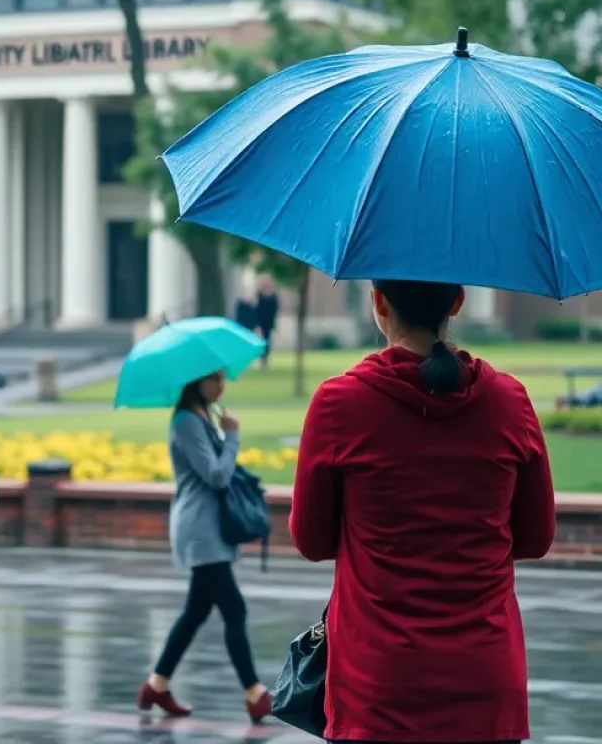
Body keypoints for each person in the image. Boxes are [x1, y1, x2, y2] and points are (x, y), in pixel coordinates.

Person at [291, 279, 556, 744]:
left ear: (377, 302)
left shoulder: (340, 403)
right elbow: (535, 539)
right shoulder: (509, 402)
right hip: (487, 685)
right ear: (457, 301)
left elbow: (311, 542)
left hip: (376, 688)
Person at [138, 372, 272, 724]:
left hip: (210, 528)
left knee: (196, 611)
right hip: (200, 531)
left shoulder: (201, 418)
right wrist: (232, 437)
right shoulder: (186, 422)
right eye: (215, 379)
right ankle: (254, 692)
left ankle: (157, 684)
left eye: (223, 378)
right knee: (234, 610)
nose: (221, 385)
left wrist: (222, 433)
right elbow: (216, 475)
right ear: (196, 381)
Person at [253, 275, 279, 366]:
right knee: (261, 340)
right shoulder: (259, 295)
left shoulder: (273, 296)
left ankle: (266, 358)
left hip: (269, 322)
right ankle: (261, 358)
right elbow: (257, 309)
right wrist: (257, 323)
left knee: (268, 340)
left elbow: (275, 310)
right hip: (261, 322)